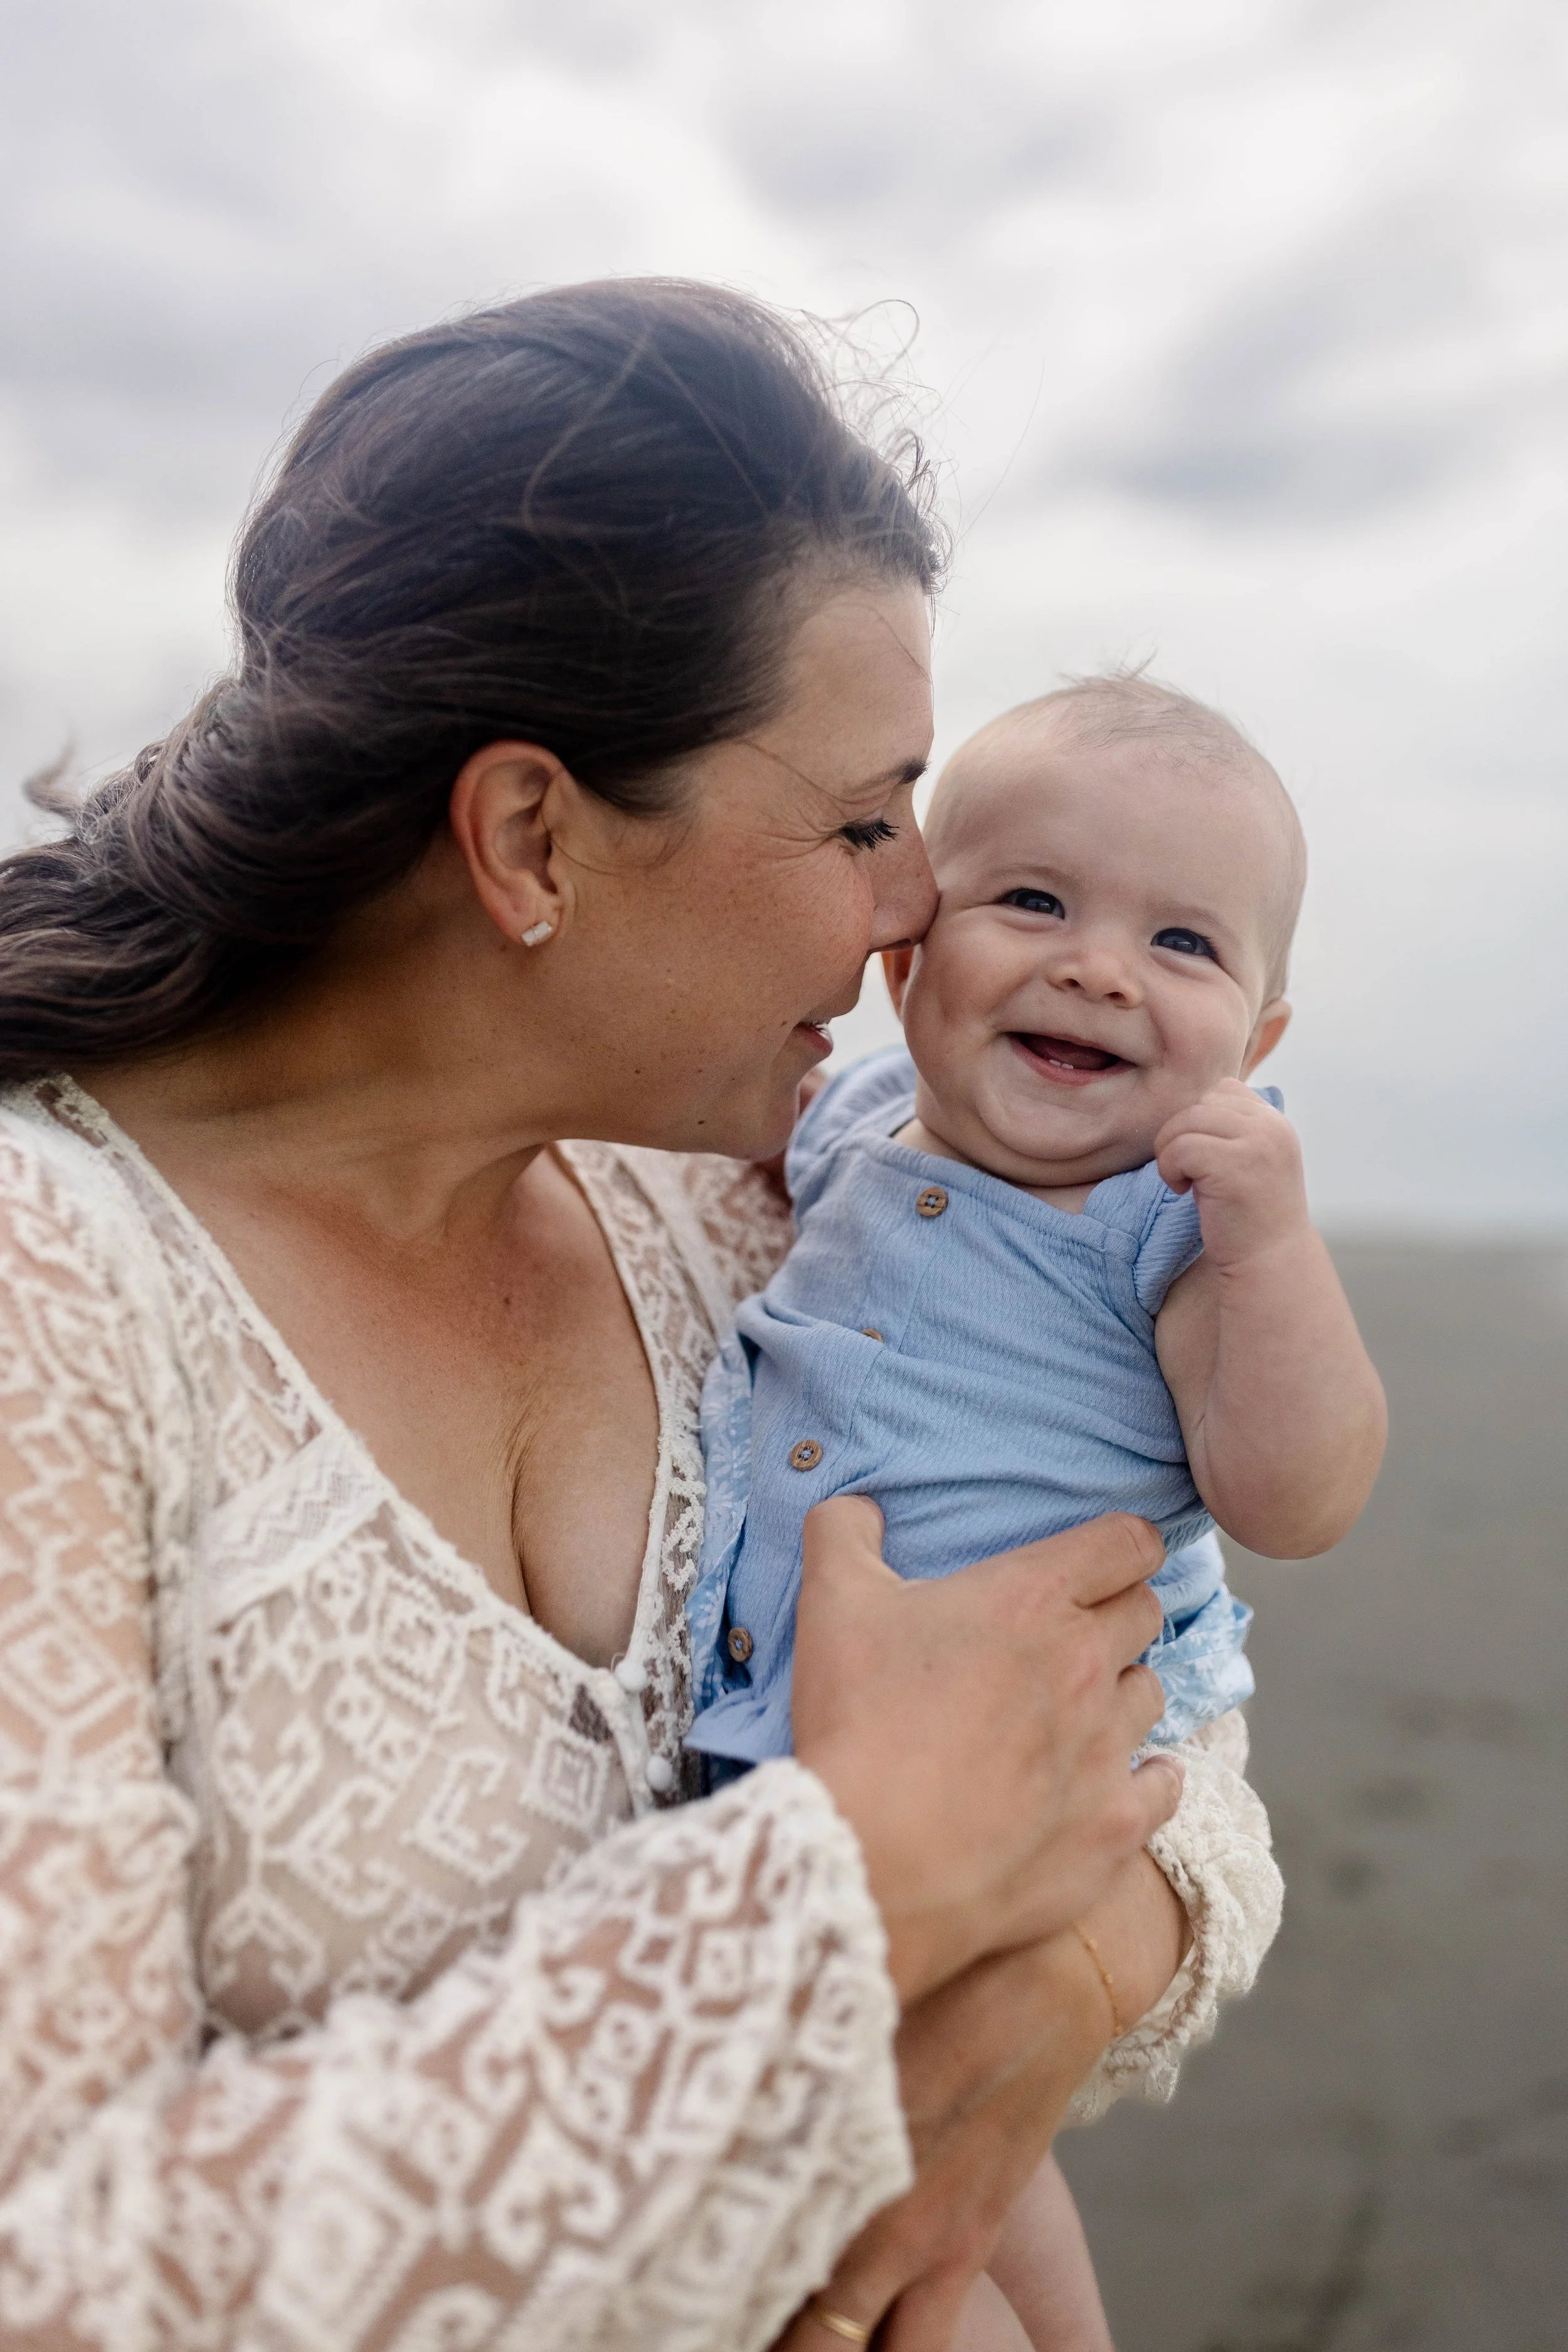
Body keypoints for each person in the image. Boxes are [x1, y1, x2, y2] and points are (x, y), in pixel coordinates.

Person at [0, 282, 1270, 2352]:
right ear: (529, 837)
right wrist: (855, 1888)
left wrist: (1067, 1972)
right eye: (862, 818)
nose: (914, 910)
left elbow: (1161, 1669)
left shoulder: (751, 1207)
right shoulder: (49, 1296)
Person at [688, 677, 1385, 2347]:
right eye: (1034, 901)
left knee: (930, 2166)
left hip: (1016, 1765)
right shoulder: (849, 1115)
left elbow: (1294, 1495)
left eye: (1184, 947)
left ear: (1258, 1042)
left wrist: (1270, 1251)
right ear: (909, 960)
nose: (1098, 967)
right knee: (913, 2153)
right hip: (792, 1755)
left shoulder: (1168, 1219)